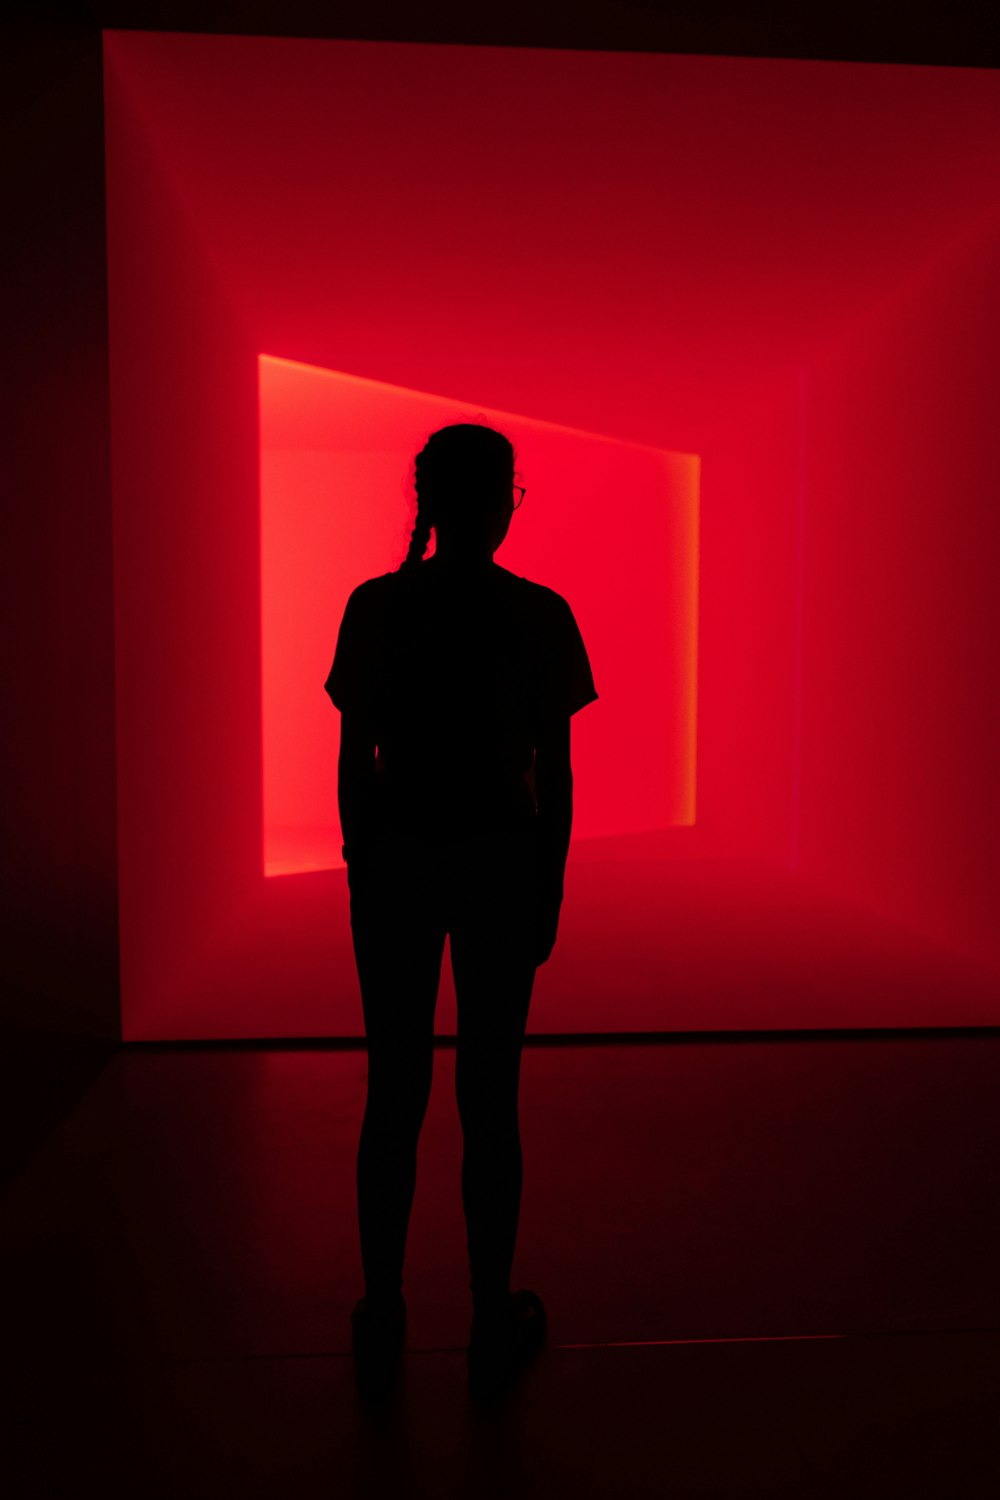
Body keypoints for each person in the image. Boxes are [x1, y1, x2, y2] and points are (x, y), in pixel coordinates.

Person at [323, 421, 598, 1399]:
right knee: (491, 1097)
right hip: (497, 863)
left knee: (392, 1092)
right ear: (500, 501)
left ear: (427, 502)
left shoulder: (376, 606)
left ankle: (382, 1306)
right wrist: (548, 884)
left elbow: (355, 764)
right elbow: (554, 777)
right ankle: (487, 1314)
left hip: (398, 862)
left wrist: (364, 869)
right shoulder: (539, 613)